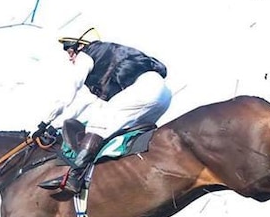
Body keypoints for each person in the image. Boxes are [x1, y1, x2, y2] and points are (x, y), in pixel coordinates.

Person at [37, 29, 172, 193]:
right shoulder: (104, 62)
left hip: (144, 89)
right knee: (117, 136)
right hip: (163, 94)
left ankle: (74, 176)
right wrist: (56, 125)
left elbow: (69, 91)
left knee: (98, 125)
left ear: (81, 46)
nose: (70, 57)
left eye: (70, 50)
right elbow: (86, 103)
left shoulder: (88, 54)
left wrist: (45, 121)